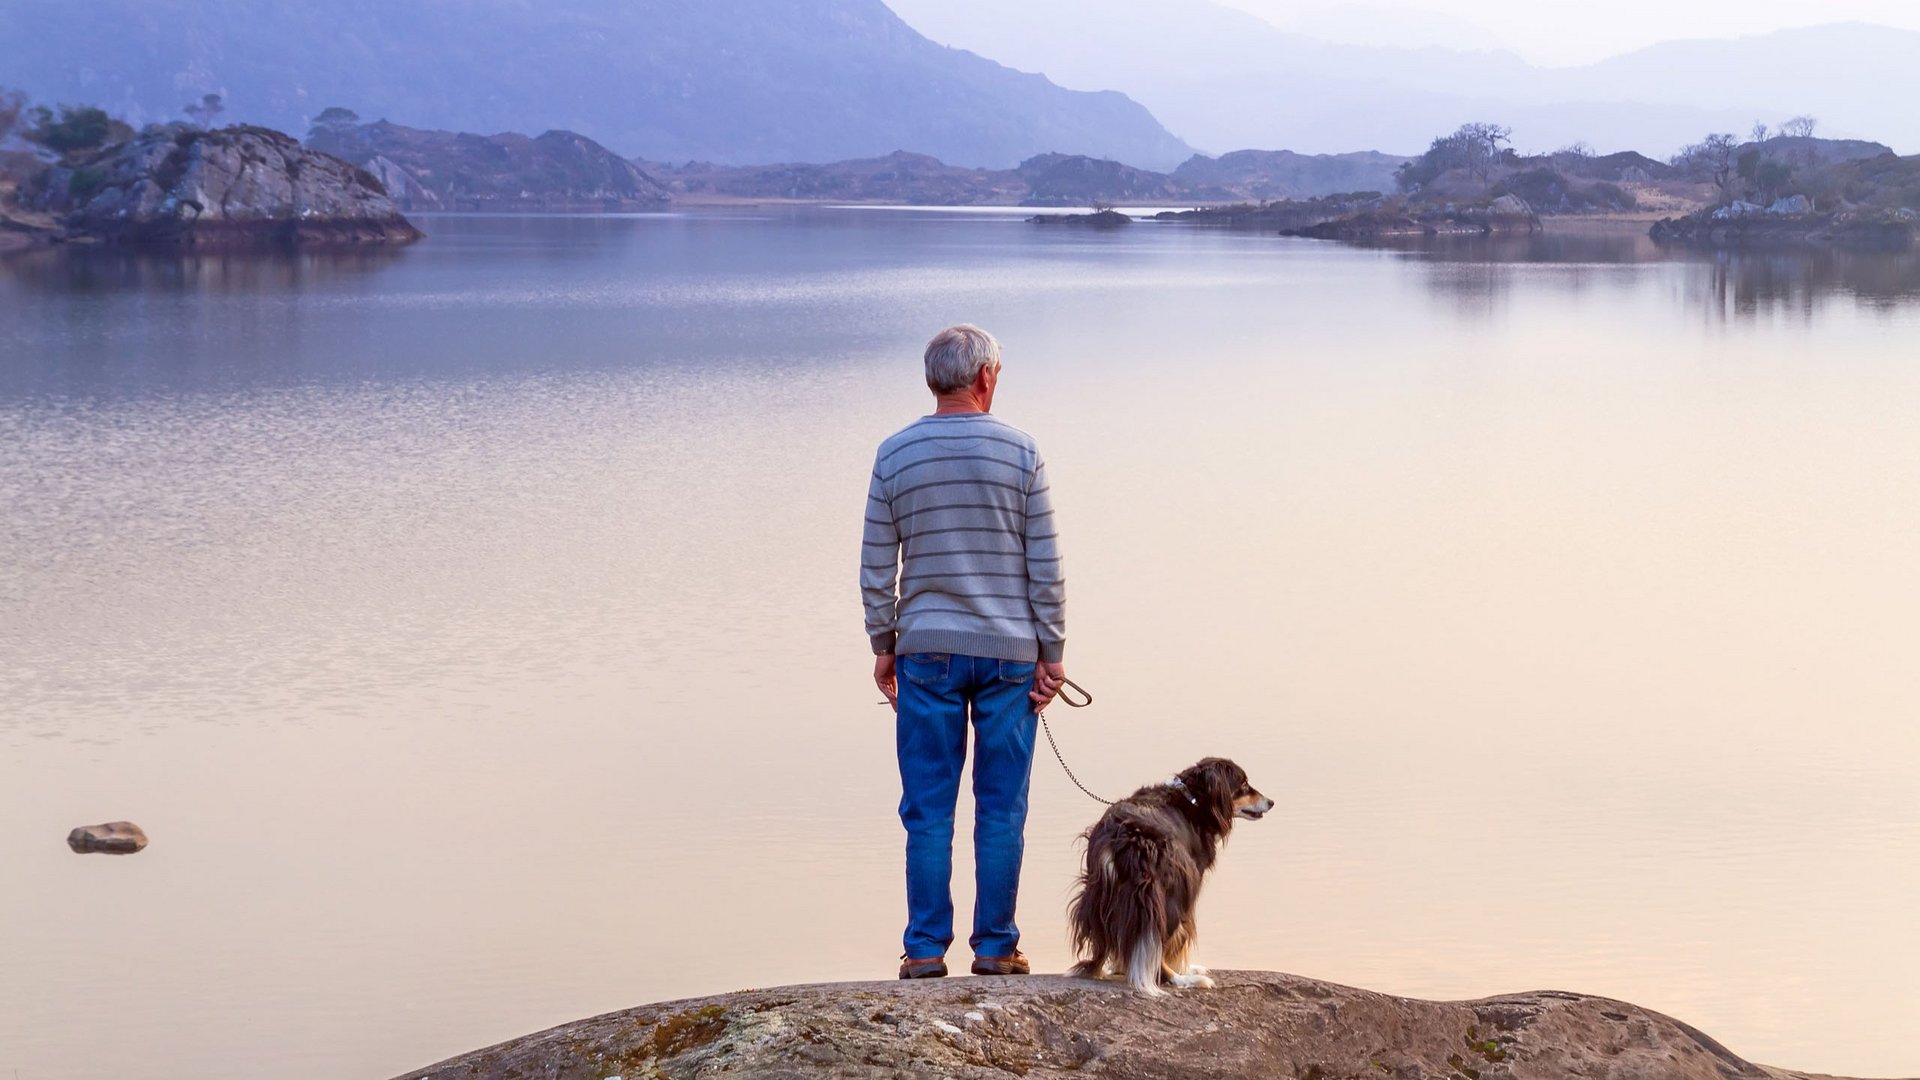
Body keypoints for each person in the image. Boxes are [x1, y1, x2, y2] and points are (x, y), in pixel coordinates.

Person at [861, 324, 1068, 980]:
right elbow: (1047, 566)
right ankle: (996, 948)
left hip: (926, 652)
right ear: (984, 378)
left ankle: (924, 952)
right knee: (1000, 807)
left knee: (928, 807)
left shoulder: (894, 455)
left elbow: (875, 566)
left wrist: (883, 643)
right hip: (1010, 655)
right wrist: (1052, 650)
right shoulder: (1022, 452)